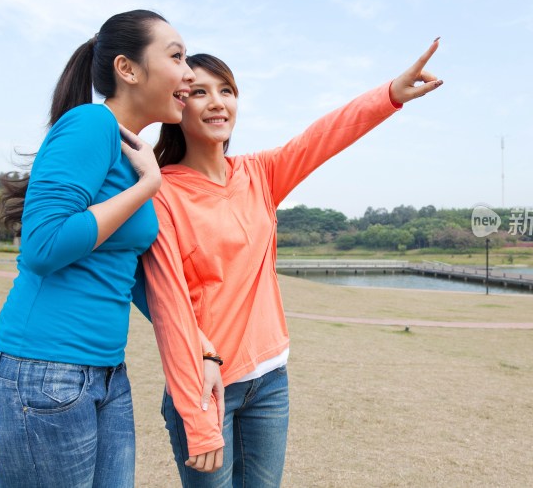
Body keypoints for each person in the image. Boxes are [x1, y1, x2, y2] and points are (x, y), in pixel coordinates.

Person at [142, 40, 443, 486]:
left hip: (270, 381)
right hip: (207, 387)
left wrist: (391, 94)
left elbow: (323, 136)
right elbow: (169, 308)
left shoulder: (260, 174)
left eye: (227, 90)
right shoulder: (161, 191)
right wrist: (200, 421)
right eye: (200, 92)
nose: (217, 103)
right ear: (179, 104)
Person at [0, 9, 203, 487]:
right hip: (42, 370)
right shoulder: (90, 124)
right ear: (128, 69)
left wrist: (196, 340)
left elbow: (128, 274)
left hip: (106, 373)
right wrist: (147, 187)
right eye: (177, 56)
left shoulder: (130, 148)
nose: (189, 72)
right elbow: (43, 244)